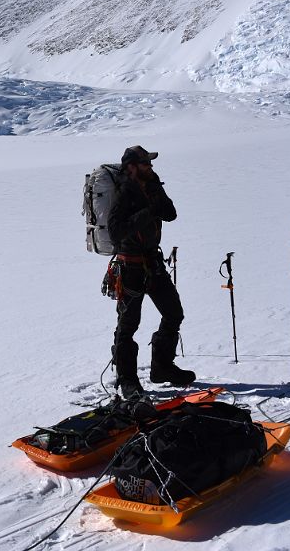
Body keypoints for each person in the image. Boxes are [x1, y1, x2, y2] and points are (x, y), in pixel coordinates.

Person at [105, 145, 195, 399]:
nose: (150, 167)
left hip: (152, 263)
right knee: (127, 325)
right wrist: (148, 212)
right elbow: (116, 232)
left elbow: (171, 214)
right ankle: (128, 380)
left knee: (173, 313)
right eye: (145, 163)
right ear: (131, 166)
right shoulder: (123, 192)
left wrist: (157, 195)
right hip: (129, 266)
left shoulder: (152, 184)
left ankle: (162, 368)